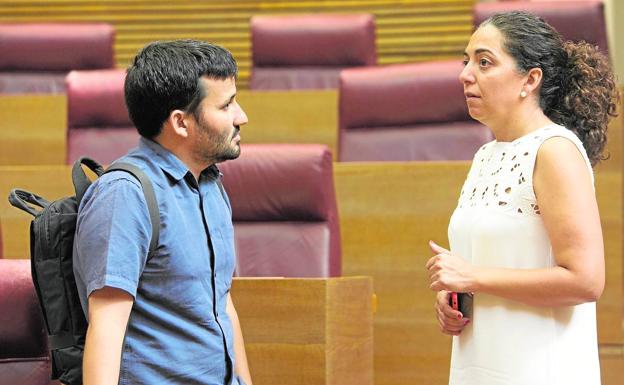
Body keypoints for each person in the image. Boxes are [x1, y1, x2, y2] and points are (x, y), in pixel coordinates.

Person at [425, 11, 619, 385]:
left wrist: (473, 278)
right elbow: (491, 265)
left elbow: (586, 279)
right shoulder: (487, 154)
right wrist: (456, 298)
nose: (466, 75)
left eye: (484, 62)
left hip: (539, 369)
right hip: (480, 364)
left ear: (530, 79)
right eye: (467, 62)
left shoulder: (555, 150)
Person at [73, 40, 252, 385]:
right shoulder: (125, 195)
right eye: (227, 105)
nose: (241, 116)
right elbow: (107, 327)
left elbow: (221, 303)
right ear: (181, 123)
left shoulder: (209, 184)